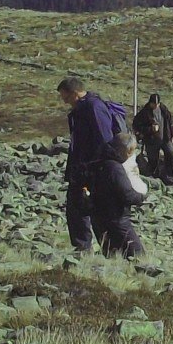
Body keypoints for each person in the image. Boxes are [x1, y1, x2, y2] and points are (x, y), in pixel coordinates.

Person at [59, 75, 125, 253]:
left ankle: (93, 246)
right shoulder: (84, 108)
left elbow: (103, 139)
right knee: (79, 206)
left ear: (74, 93)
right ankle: (88, 245)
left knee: (87, 207)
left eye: (65, 96)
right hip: (84, 166)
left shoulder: (93, 107)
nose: (64, 101)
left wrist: (94, 166)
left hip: (92, 167)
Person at [89, 129, 147, 259]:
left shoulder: (98, 161)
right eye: (131, 151)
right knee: (138, 256)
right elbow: (127, 194)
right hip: (117, 219)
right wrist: (141, 197)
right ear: (126, 150)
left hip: (98, 218)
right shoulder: (114, 168)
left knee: (112, 255)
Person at [134, 92, 173, 184]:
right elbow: (136, 125)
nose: (155, 106)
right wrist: (150, 129)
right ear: (150, 103)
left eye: (157, 104)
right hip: (152, 140)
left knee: (170, 155)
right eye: (154, 104)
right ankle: (154, 178)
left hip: (165, 137)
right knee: (153, 160)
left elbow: (170, 121)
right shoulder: (144, 113)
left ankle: (170, 177)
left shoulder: (163, 109)